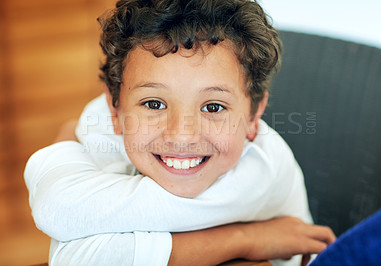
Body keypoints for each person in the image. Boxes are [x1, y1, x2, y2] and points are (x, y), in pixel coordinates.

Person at [24, 0, 335, 265]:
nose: (182, 135)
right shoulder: (102, 121)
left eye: (213, 107)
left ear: (253, 115)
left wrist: (66, 142)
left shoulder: (259, 169)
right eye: (155, 103)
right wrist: (245, 238)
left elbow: (72, 248)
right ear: (114, 109)